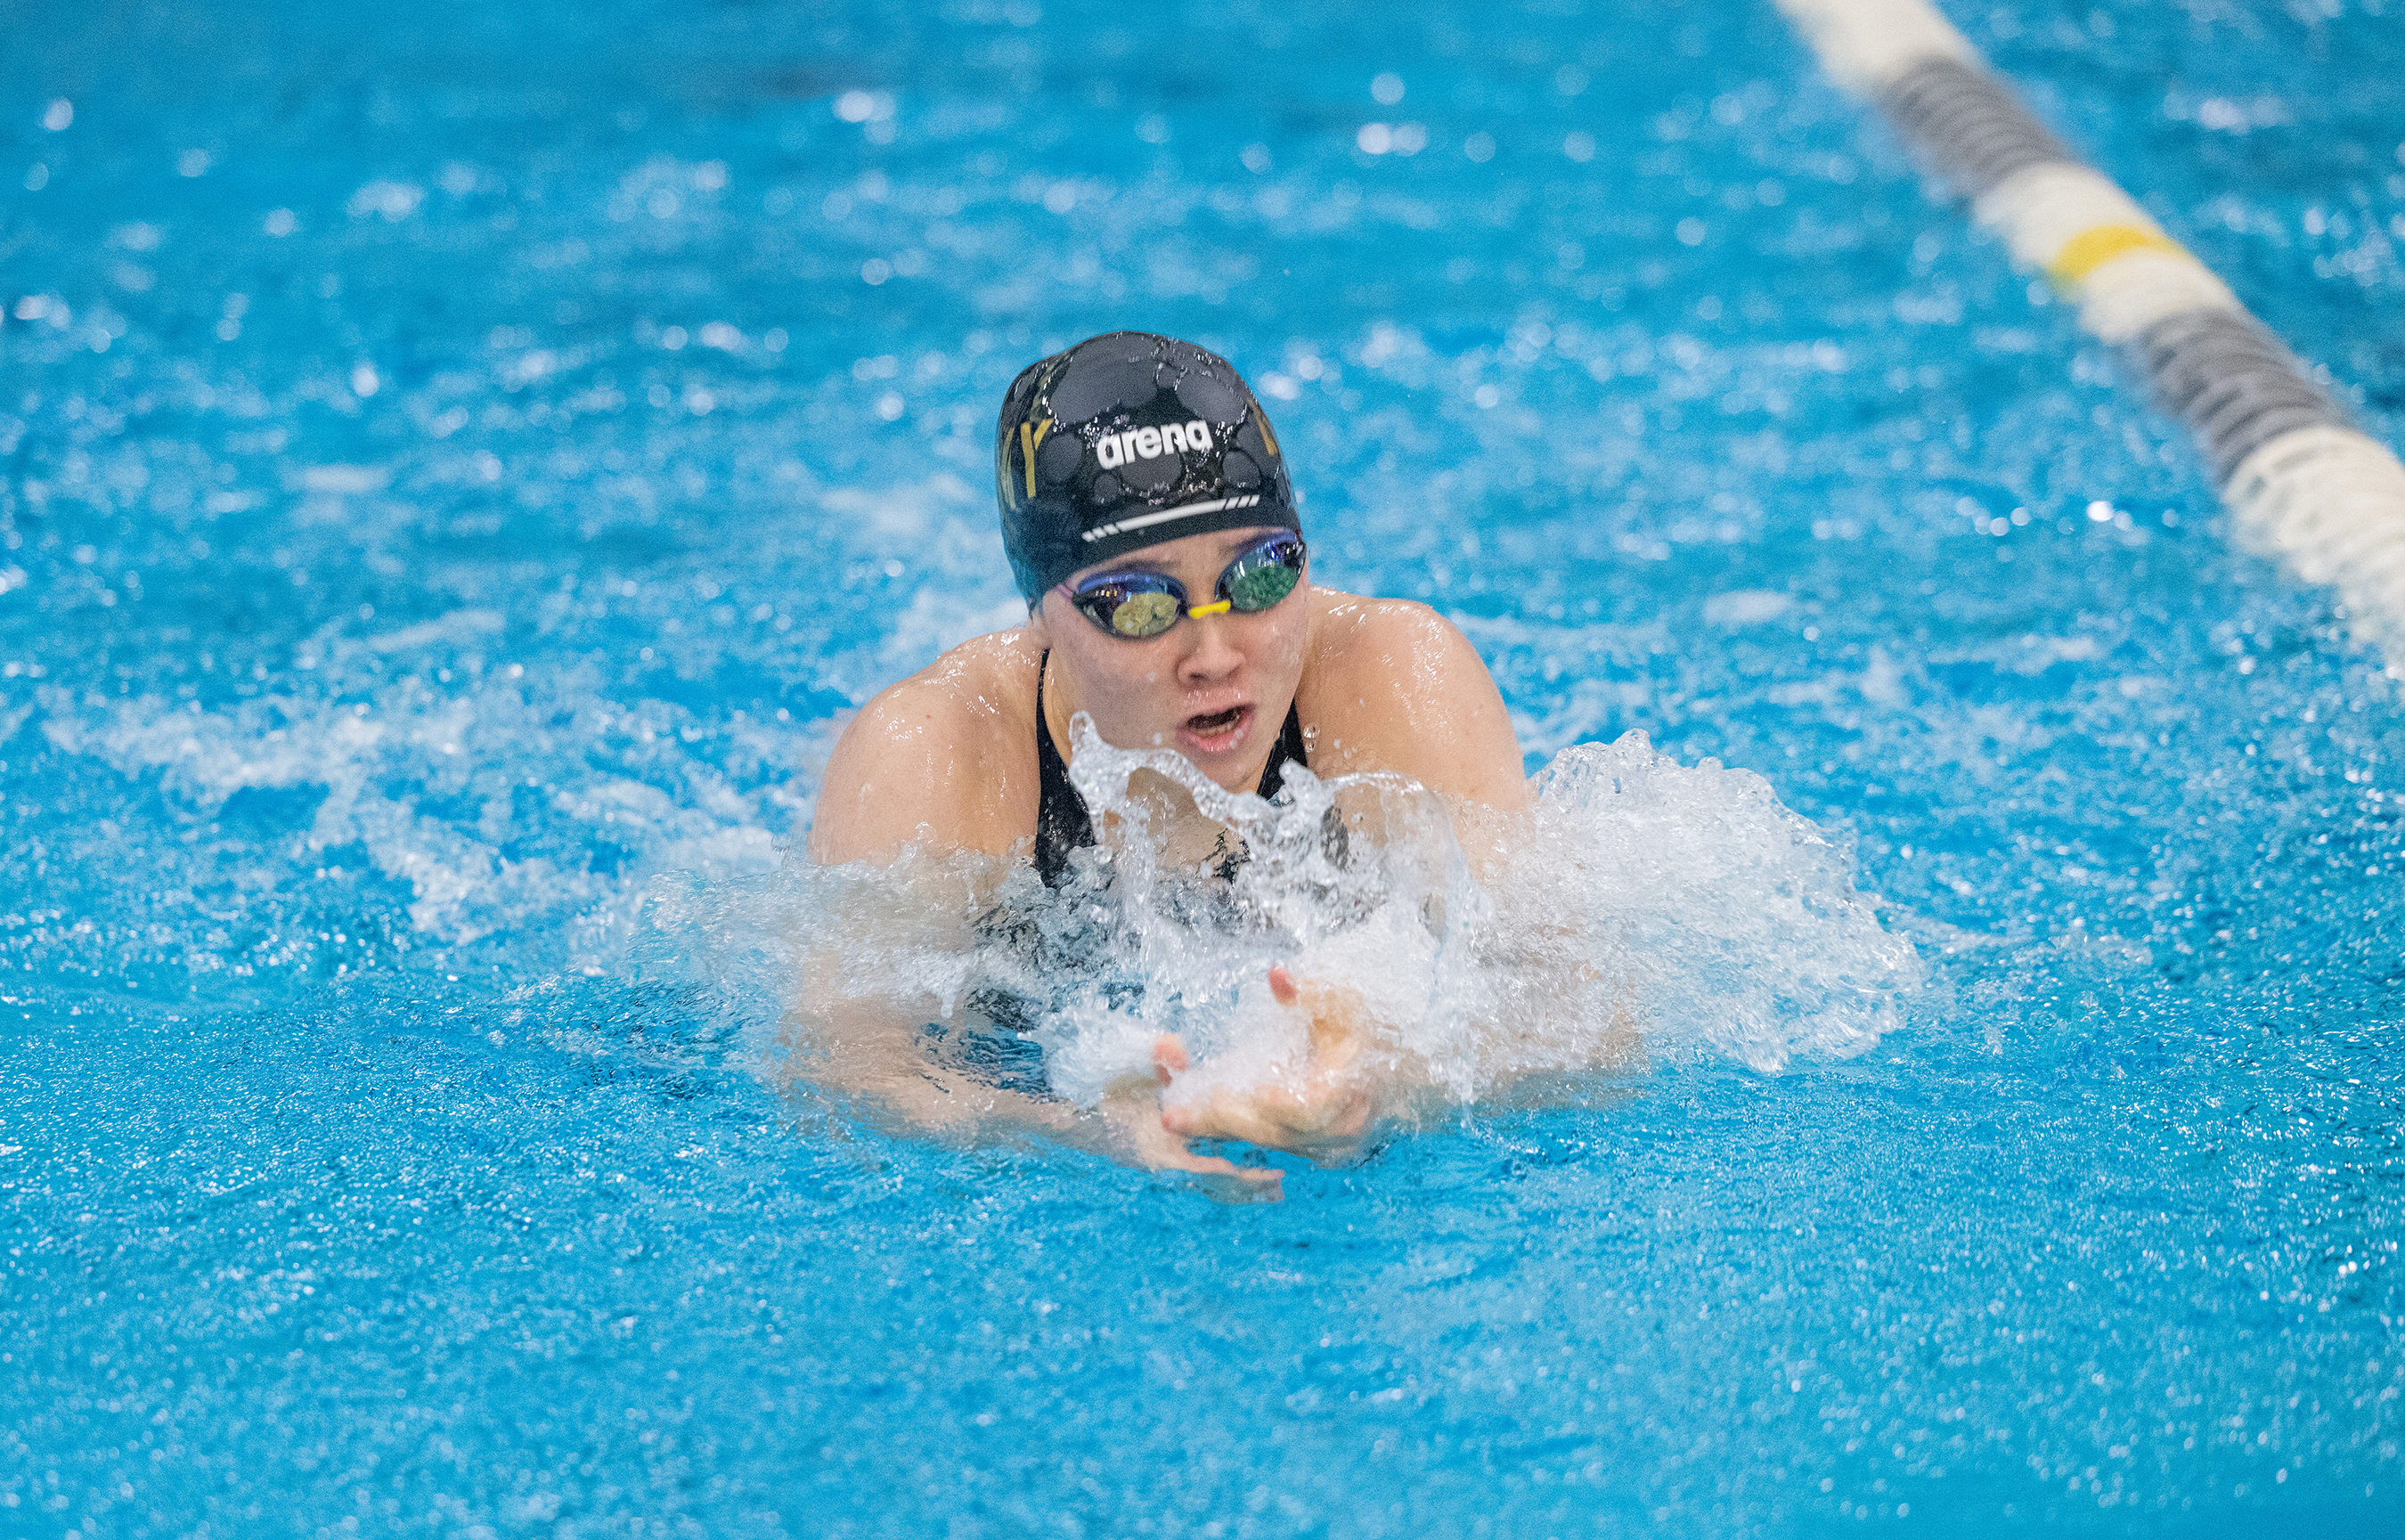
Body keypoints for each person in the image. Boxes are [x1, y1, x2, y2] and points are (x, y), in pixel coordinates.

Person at [804, 331, 1532, 1199]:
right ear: (1039, 610)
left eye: (1261, 577)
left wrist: (1395, 1083)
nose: (1216, 653)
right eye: (1141, 605)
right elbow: (846, 1070)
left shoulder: (1396, 681)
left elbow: (1587, 1008)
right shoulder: (934, 755)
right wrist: (1084, 1130)